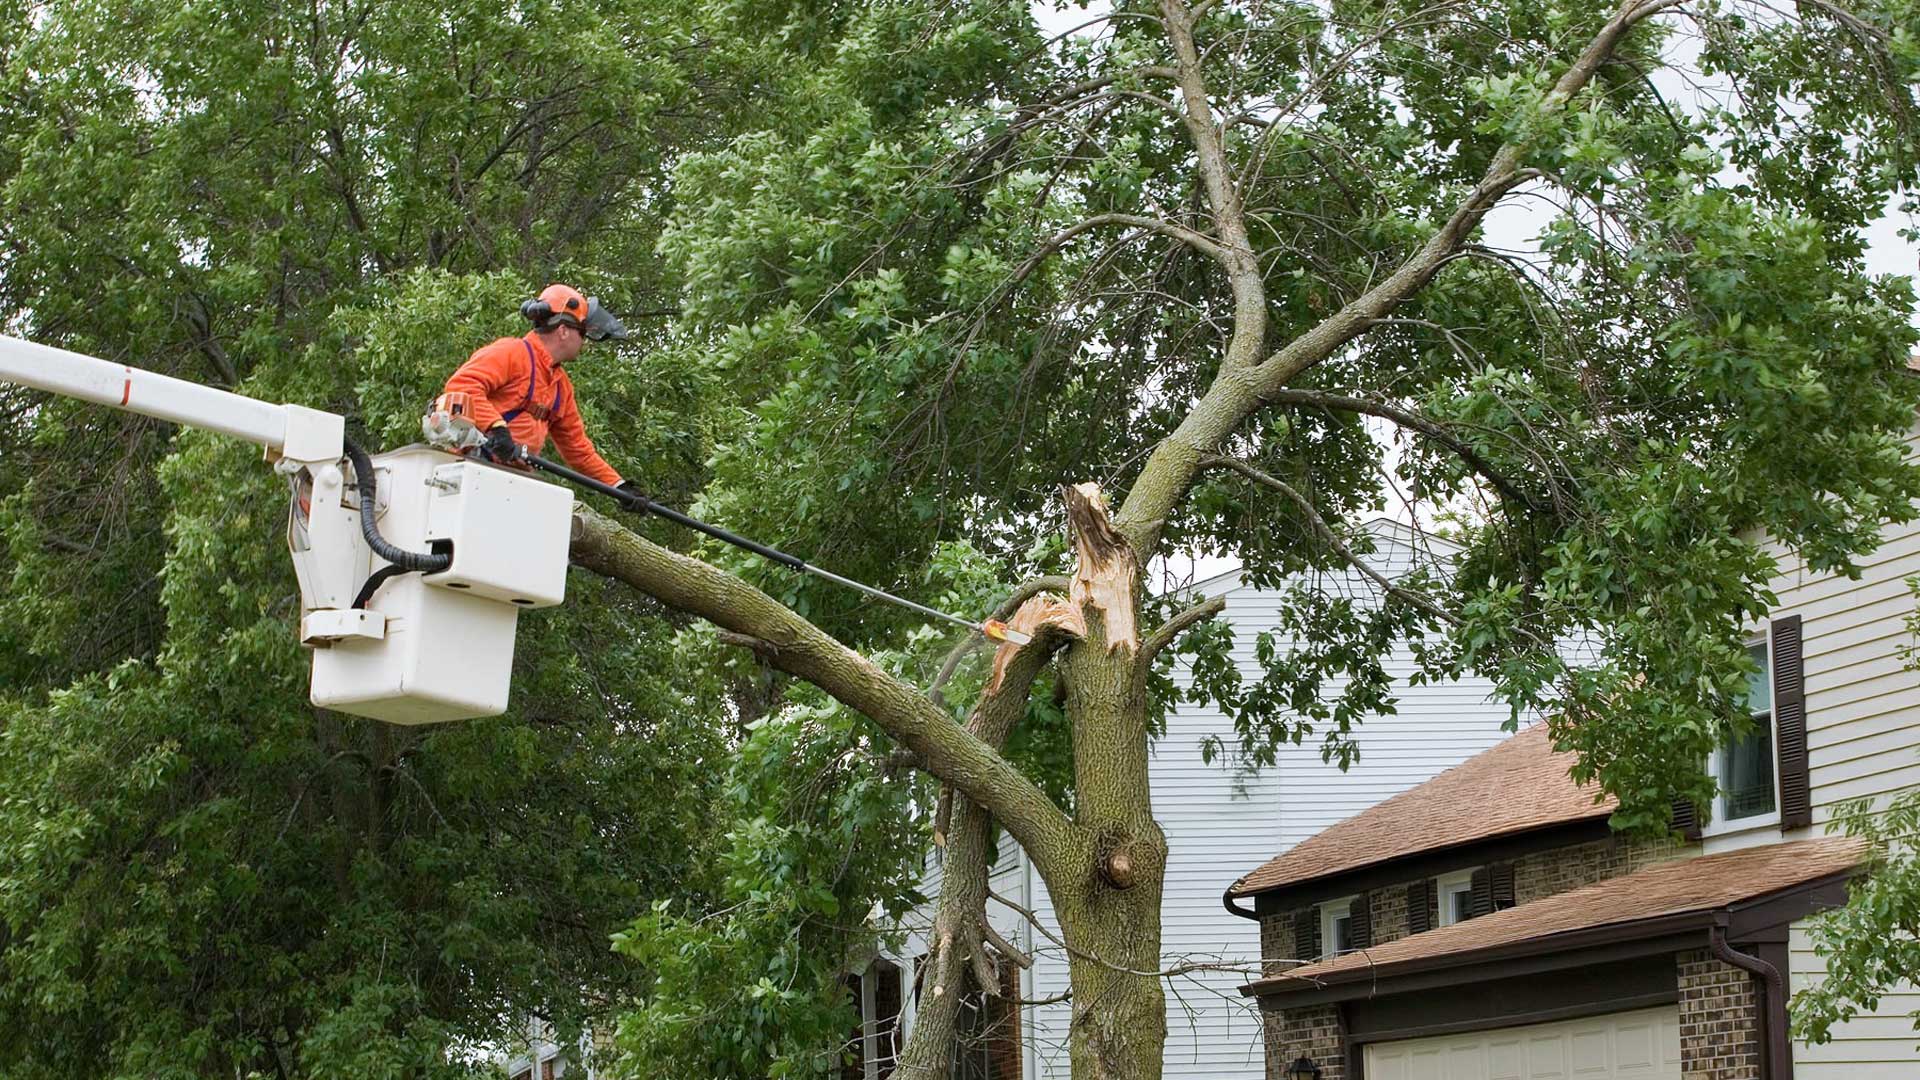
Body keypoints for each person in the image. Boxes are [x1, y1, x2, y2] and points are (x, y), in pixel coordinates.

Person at [442, 283, 636, 492]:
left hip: (514, 478)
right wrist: (496, 427)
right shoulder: (512, 352)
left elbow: (578, 448)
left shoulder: (561, 387)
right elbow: (462, 386)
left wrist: (619, 486)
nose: (584, 342)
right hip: (474, 468)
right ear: (563, 331)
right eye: (582, 333)